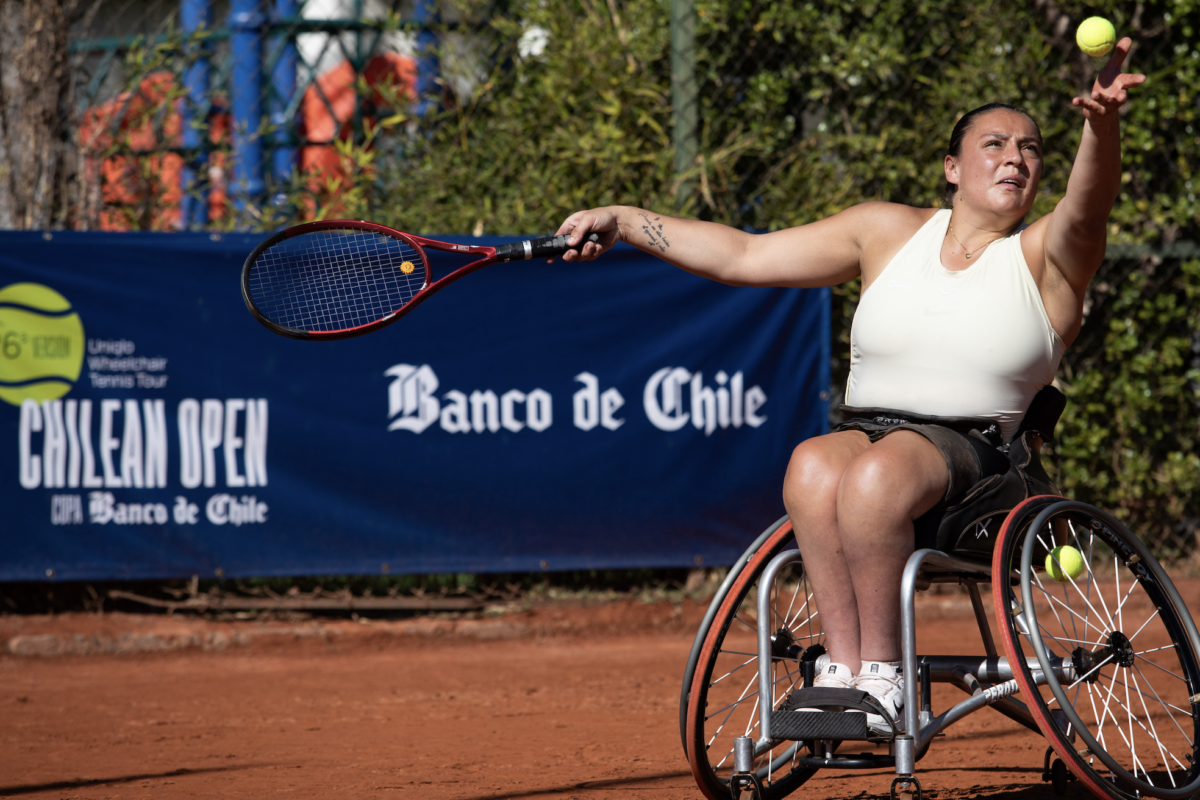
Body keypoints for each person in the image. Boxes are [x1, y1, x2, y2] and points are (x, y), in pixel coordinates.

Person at [553, 41, 1145, 733]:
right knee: (811, 464)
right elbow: (745, 255)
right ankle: (841, 670)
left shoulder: (1047, 256)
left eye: (1030, 149)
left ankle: (886, 680)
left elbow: (1089, 203)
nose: (1015, 157)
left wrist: (1101, 125)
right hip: (869, 432)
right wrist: (625, 221)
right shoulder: (885, 232)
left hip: (980, 462)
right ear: (952, 168)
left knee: (873, 477)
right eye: (994, 144)